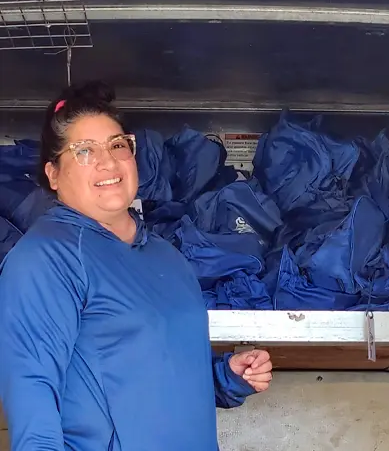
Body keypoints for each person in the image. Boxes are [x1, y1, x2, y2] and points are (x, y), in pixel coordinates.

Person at [0, 82, 272, 451]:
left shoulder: (168, 256)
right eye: (84, 151)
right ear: (53, 174)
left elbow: (156, 381)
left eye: (117, 145)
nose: (107, 161)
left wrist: (227, 377)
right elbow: (31, 391)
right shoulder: (47, 257)